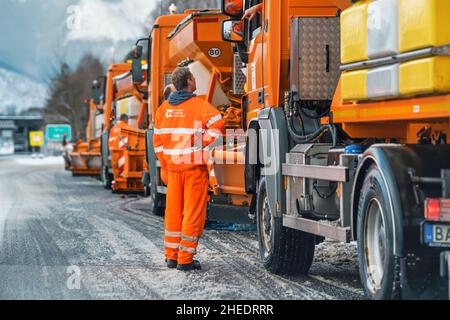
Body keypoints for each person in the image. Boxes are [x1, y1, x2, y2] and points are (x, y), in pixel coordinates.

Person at [153, 67, 225, 271]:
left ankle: (171, 256)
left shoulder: (163, 109)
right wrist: (200, 144)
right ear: (189, 82)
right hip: (193, 169)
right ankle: (185, 259)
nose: (195, 80)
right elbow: (218, 122)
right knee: (193, 213)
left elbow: (157, 141)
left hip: (173, 170)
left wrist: (166, 162)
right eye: (193, 78)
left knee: (173, 212)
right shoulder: (199, 105)